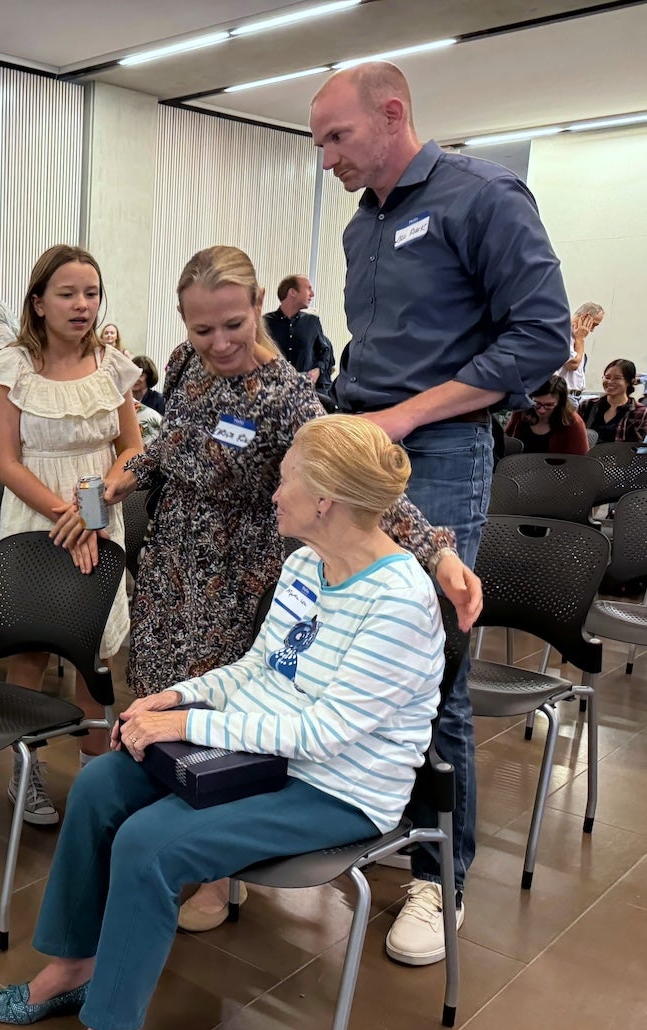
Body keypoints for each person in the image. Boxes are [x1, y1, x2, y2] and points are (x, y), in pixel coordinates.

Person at [0, 415, 446, 1030]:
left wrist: (189, 723)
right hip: (266, 754)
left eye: (286, 478)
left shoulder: (400, 599)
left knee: (151, 839)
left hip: (336, 788)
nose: (273, 493)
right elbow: (264, 669)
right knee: (105, 781)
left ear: (327, 501)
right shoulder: (305, 564)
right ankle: (75, 962)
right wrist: (177, 693)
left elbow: (324, 731)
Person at [103, 245, 476, 933]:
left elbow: (356, 480)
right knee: (162, 698)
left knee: (224, 727)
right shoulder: (184, 369)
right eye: (201, 329)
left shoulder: (286, 394)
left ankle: (214, 880)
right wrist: (132, 467)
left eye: (232, 325)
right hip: (174, 567)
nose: (218, 342)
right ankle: (169, 857)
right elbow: (170, 441)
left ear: (258, 311)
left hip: (241, 576)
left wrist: (436, 551)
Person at [311, 61, 570, 964]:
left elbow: (542, 335)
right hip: (363, 445)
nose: (327, 157)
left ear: (392, 116)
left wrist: (412, 413)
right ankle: (394, 823)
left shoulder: (482, 196)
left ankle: (442, 872)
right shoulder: (360, 228)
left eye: (337, 138)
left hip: (443, 448)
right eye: (319, 143)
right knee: (359, 649)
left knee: (434, 664)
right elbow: (376, 348)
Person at [0, 244, 144, 825]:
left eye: (92, 293)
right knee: (28, 647)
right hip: (36, 517)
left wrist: (93, 510)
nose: (83, 305)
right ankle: (24, 777)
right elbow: (5, 462)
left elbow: (132, 449)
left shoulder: (113, 365)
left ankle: (93, 783)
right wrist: (66, 515)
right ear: (38, 302)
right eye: (68, 293)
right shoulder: (11, 368)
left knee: (96, 652)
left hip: (101, 512)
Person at [263, 274, 335, 394]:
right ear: (292, 292)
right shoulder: (265, 323)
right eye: (308, 288)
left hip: (307, 393)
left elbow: (325, 352)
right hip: (274, 393)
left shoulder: (312, 322)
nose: (312, 294)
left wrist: (318, 370)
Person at [504, 375, 589, 454]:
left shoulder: (574, 423)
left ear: (560, 404)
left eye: (549, 405)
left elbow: (580, 462)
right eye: (537, 403)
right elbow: (507, 441)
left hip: (557, 469)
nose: (542, 410)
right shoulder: (522, 410)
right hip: (519, 467)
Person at [579, 359, 647, 444]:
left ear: (630, 382)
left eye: (617, 378)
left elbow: (636, 446)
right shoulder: (587, 405)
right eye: (607, 377)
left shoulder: (640, 412)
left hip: (619, 456)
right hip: (585, 456)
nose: (610, 382)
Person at [561, 302, 605, 396]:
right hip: (564, 395)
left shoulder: (574, 336)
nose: (592, 330)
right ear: (585, 317)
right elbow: (573, 364)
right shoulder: (563, 333)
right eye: (594, 324)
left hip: (574, 395)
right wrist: (580, 339)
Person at [128, 355, 164, 444]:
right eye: (132, 374)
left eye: (140, 375)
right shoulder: (124, 401)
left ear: (149, 377)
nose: (135, 378)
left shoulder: (159, 401)